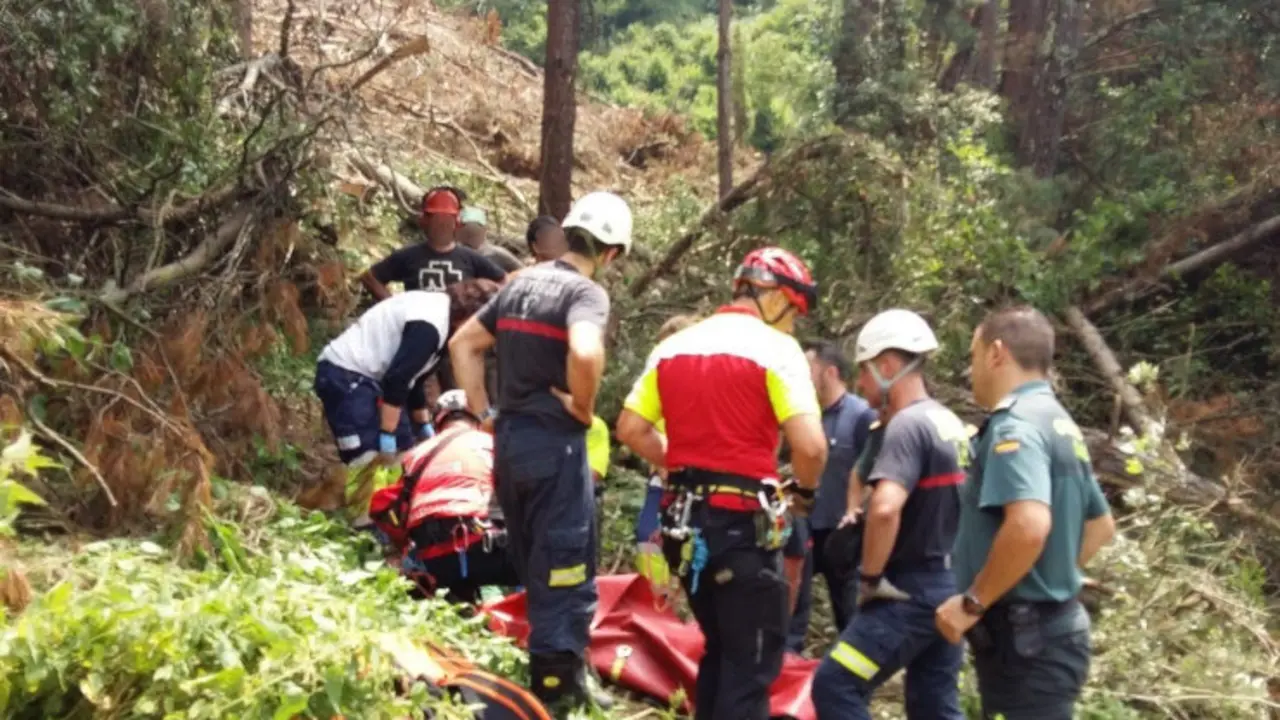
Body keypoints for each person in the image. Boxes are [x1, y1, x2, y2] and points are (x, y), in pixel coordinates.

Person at [616, 246, 828, 720]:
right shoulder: (776, 349)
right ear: (773, 297)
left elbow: (630, 427)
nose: (793, 322)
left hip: (683, 527)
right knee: (751, 668)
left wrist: (686, 466)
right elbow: (811, 448)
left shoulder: (674, 345)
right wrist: (805, 494)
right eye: (793, 311)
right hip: (741, 531)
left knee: (721, 650)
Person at [448, 191, 633, 712]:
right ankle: (556, 695)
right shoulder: (585, 294)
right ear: (611, 252)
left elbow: (463, 345)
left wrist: (483, 414)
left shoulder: (520, 283)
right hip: (556, 447)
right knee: (566, 563)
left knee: (535, 557)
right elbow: (586, 349)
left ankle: (565, 668)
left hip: (510, 444)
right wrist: (583, 403)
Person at [936, 306, 1115, 720]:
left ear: (996, 353)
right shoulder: (1058, 422)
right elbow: (1101, 525)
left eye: (973, 355)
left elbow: (1030, 525)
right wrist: (1053, 575)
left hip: (1027, 644)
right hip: (1046, 633)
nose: (971, 369)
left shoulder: (1014, 426)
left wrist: (972, 603)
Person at [810, 309, 967, 720]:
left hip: (907, 591)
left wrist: (869, 579)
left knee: (836, 683)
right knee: (934, 704)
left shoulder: (906, 426)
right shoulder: (948, 422)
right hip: (950, 585)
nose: (860, 384)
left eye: (864, 372)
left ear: (887, 366)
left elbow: (884, 508)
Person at [313, 280, 501, 506]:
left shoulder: (443, 325)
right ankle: (361, 520)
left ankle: (389, 511)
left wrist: (424, 427)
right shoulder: (430, 323)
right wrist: (387, 433)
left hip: (375, 380)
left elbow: (414, 379)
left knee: (406, 452)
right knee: (367, 455)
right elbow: (398, 378)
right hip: (346, 375)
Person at [368, 390, 519, 604]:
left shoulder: (416, 455)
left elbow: (387, 506)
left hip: (433, 561)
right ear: (477, 417)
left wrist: (400, 549)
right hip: (488, 549)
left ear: (438, 421)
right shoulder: (491, 444)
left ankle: (461, 600)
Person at [796, 340, 876, 635]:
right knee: (791, 610)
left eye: (808, 369)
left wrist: (857, 521)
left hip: (844, 537)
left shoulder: (862, 415)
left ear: (829, 373)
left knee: (850, 617)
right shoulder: (805, 417)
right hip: (806, 528)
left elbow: (874, 475)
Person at [632, 314, 700, 599]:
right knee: (647, 536)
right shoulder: (657, 385)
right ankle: (654, 601)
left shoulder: (705, 385)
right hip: (661, 482)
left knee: (691, 548)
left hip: (696, 484)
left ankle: (687, 609)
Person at [361, 187, 508, 300]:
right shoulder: (408, 256)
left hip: (456, 332)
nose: (441, 226)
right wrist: (393, 306)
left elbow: (504, 281)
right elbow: (370, 277)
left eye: (446, 221)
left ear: (456, 223)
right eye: (436, 220)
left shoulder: (470, 258)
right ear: (424, 222)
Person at [459, 207, 524, 274]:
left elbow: (524, 274)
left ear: (484, 229)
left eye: (476, 227)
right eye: (466, 227)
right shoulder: (453, 254)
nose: (471, 231)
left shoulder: (497, 254)